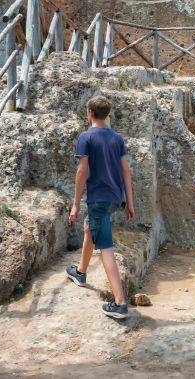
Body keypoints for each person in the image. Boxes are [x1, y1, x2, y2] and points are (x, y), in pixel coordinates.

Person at [65, 95, 135, 319]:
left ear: (89, 113)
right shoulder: (117, 138)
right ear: (107, 115)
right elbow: (126, 172)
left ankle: (120, 303)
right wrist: (129, 203)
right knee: (90, 228)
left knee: (105, 246)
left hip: (98, 198)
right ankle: (81, 273)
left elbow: (82, 172)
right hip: (115, 197)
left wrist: (75, 204)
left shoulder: (85, 137)